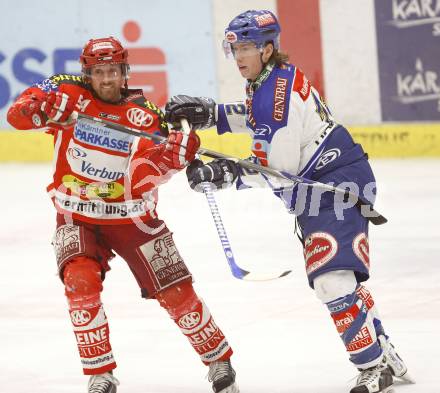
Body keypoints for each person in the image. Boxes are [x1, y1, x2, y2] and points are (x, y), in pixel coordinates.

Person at [165, 10, 412, 393]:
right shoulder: (270, 79)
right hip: (325, 185)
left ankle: (374, 367)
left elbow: (277, 169)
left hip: (334, 187)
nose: (239, 55)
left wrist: (222, 173)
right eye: (234, 47)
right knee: (340, 276)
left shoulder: (271, 94)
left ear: (267, 48)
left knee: (331, 279)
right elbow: (260, 119)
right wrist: (212, 116)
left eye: (246, 47)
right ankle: (383, 353)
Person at [7, 36, 239, 393]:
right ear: (87, 73)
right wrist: (38, 107)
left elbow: (153, 170)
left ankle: (217, 360)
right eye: (98, 72)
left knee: (176, 291)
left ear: (124, 72)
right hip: (77, 215)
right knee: (79, 283)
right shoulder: (67, 92)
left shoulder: (146, 116)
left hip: (132, 217)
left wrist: (176, 155)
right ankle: (100, 372)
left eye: (112, 71)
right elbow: (17, 114)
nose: (106, 80)